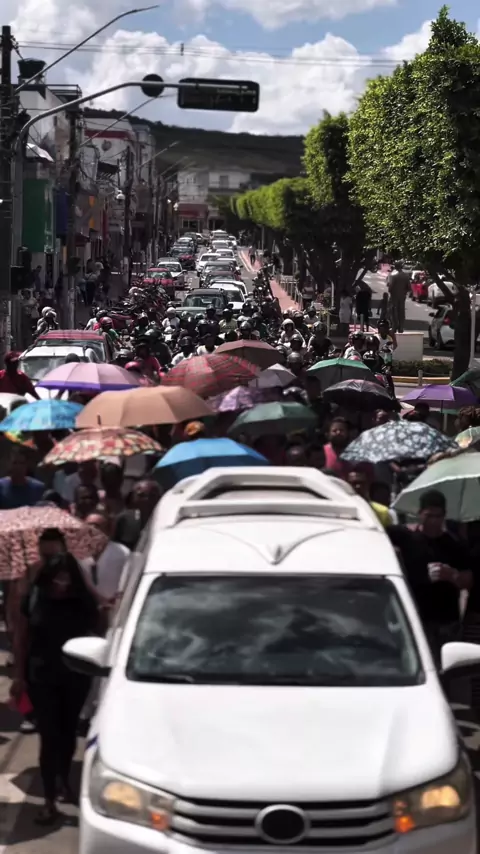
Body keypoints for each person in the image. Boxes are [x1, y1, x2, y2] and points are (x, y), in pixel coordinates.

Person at [11, 528, 99, 824]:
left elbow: (99, 627)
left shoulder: (84, 602)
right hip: (42, 676)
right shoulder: (35, 597)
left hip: (76, 675)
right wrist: (19, 676)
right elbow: (22, 637)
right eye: (56, 577)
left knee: (67, 733)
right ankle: (49, 799)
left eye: (66, 578)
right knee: (48, 736)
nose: (61, 584)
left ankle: (64, 780)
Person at [389, 490, 472, 664]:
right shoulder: (406, 537)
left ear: (444, 516)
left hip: (446, 620)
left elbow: (469, 581)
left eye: (438, 516)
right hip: (416, 617)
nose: (433, 521)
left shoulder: (454, 544)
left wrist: (452, 575)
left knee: (446, 666)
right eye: (429, 516)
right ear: (419, 514)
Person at [82, 514, 130, 600]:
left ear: (107, 531)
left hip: (118, 604)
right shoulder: (78, 554)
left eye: (97, 526)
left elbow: (129, 583)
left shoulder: (122, 553)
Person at [113, 479, 161, 550]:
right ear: (133, 498)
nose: (147, 499)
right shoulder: (124, 520)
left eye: (152, 495)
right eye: (141, 495)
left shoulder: (166, 519)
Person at [387, 263, 410, 333]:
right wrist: (404, 292)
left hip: (394, 296)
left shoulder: (393, 275)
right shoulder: (406, 276)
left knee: (393, 311)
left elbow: (390, 288)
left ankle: (394, 326)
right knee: (401, 312)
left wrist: (391, 289)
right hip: (402, 297)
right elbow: (409, 288)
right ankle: (401, 327)